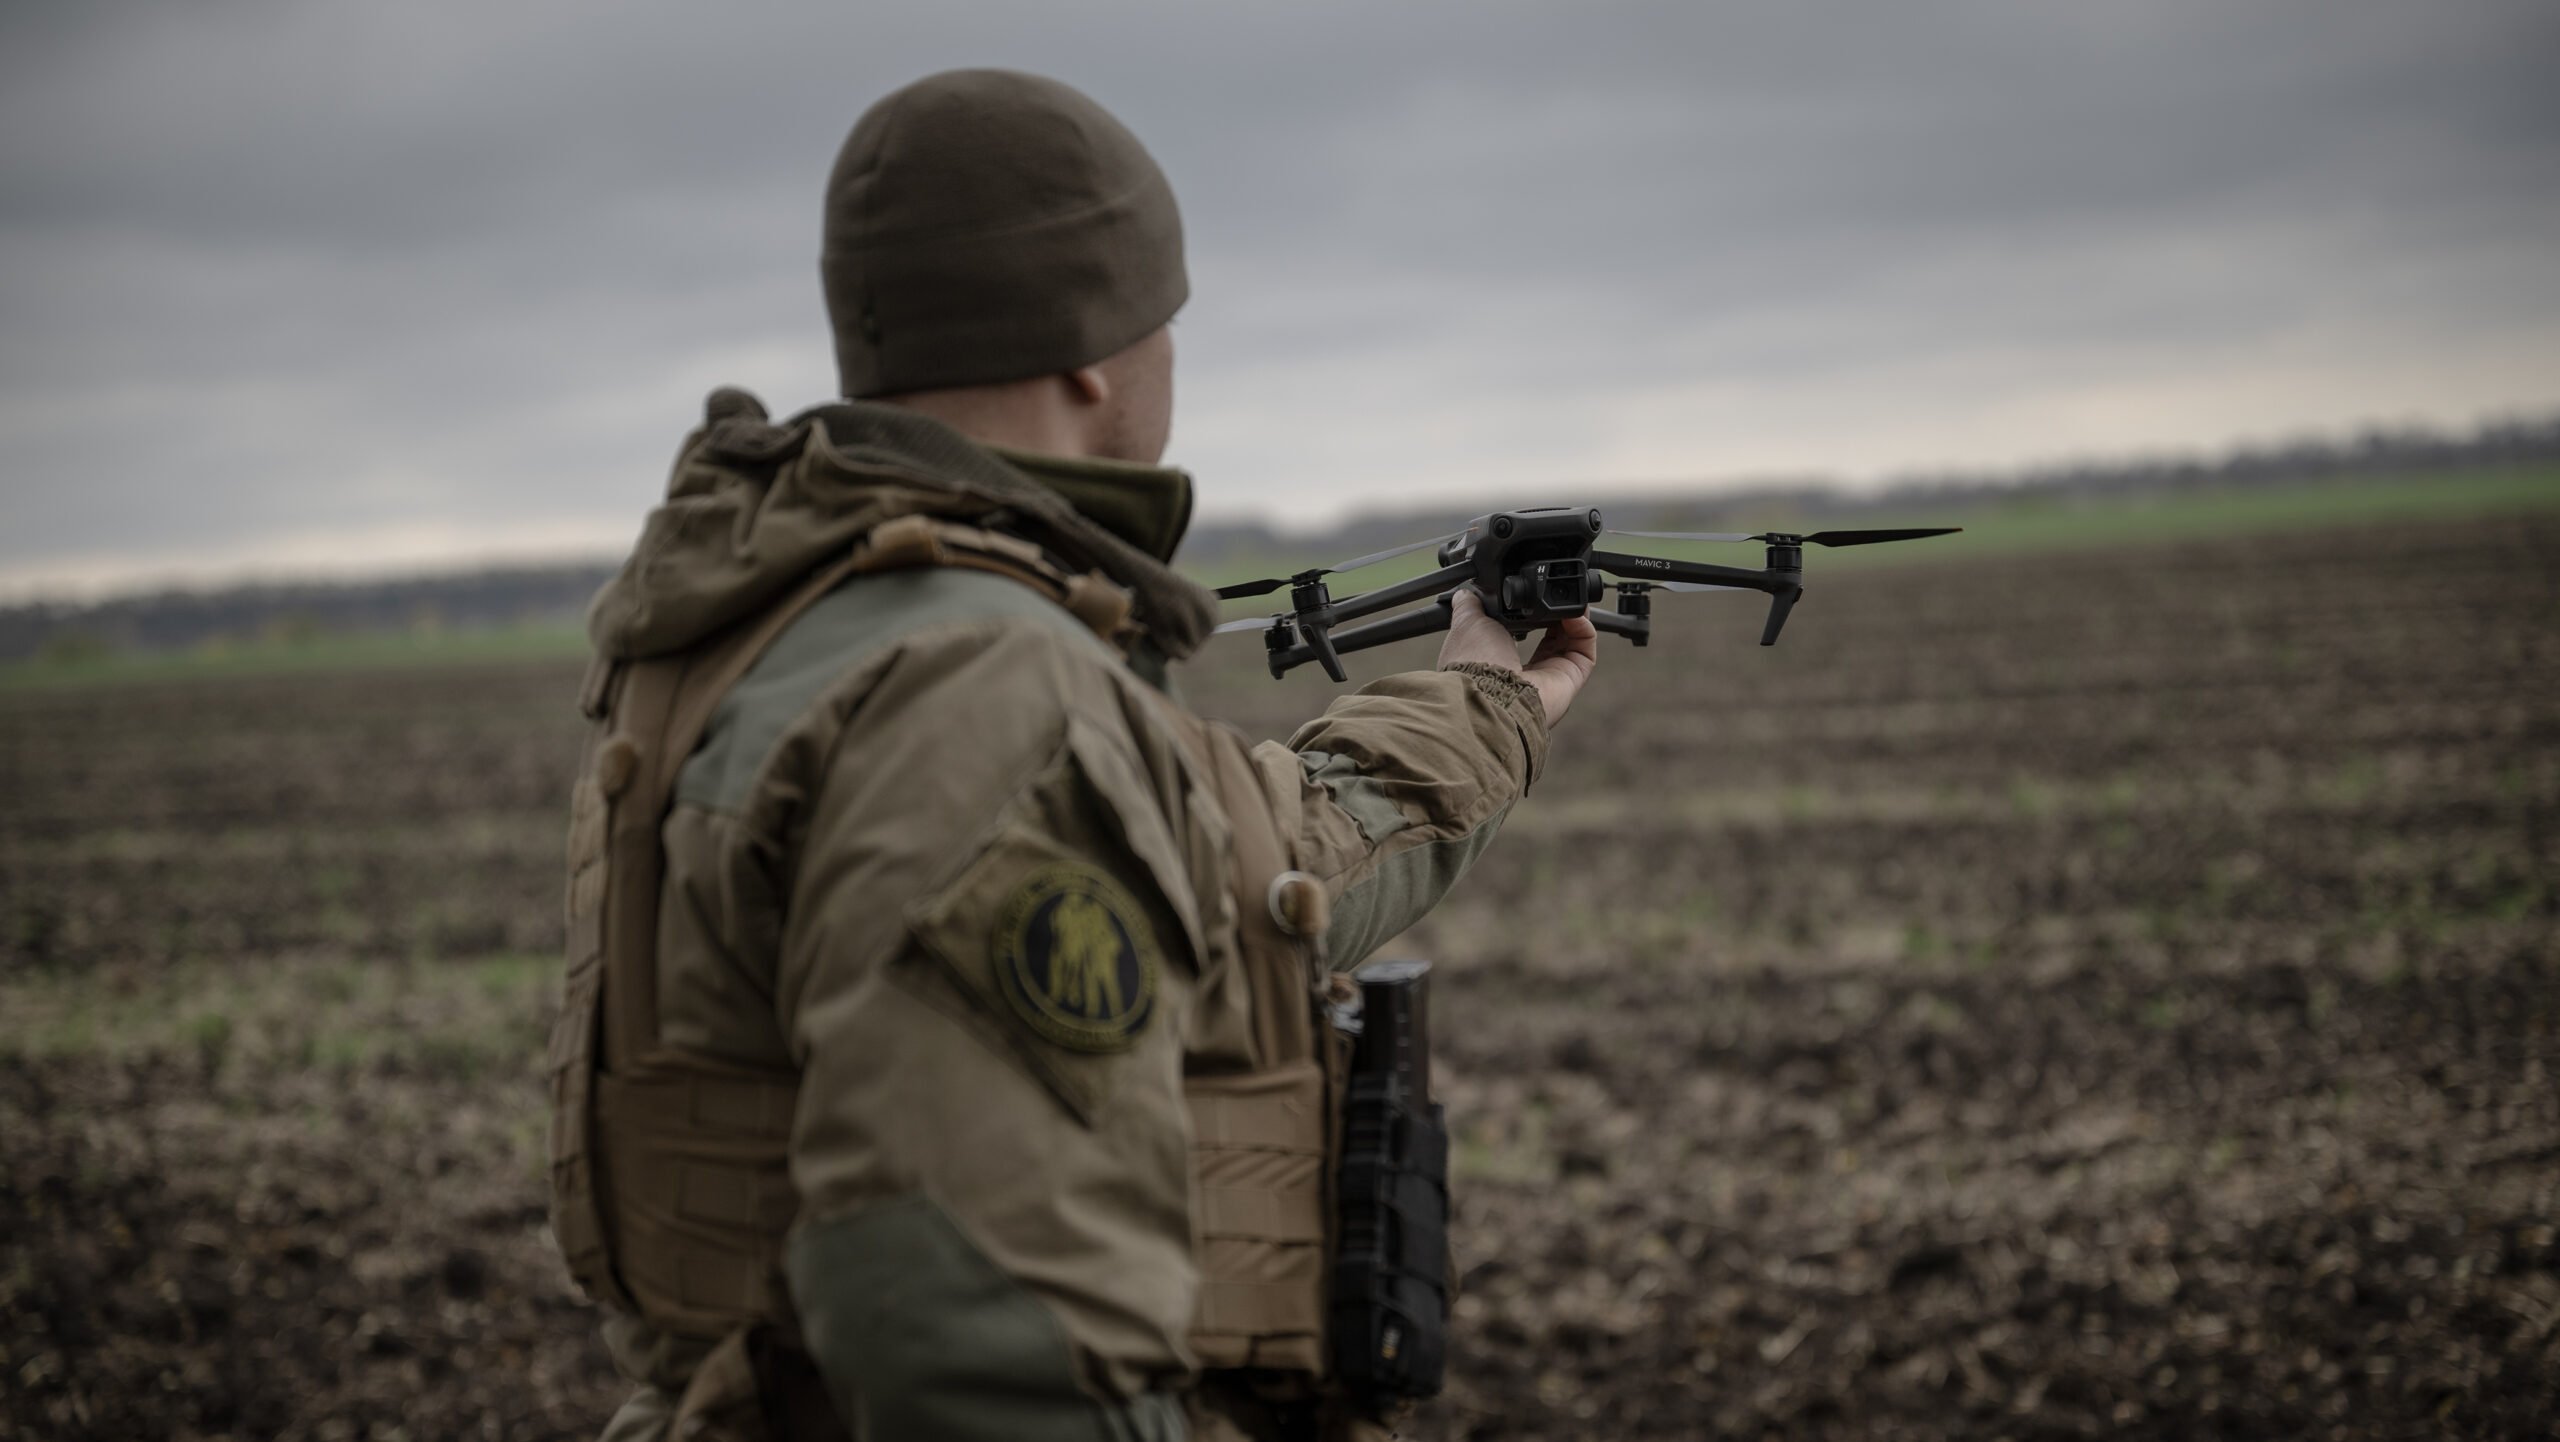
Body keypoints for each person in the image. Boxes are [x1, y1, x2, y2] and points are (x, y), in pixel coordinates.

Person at [547, 68, 1598, 1442]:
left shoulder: (812, 624)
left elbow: (1248, 870)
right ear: (1096, 353)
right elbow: (984, 1350)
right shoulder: (984, 687)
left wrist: (1484, 699)